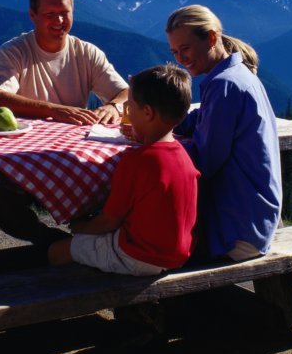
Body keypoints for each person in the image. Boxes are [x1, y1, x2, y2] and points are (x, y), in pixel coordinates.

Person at [0, 0, 129, 245]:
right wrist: (55, 109)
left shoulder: (87, 52)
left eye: (65, 12)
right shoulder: (13, 52)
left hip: (75, 158)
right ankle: (53, 244)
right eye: (50, 14)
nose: (60, 21)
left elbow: (125, 92)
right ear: (33, 15)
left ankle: (90, 244)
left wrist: (113, 105)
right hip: (23, 158)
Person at [47, 64, 200, 275]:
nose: (127, 114)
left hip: (138, 255)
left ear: (147, 112)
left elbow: (109, 221)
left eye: (130, 108)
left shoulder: (137, 160)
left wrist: (80, 227)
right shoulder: (184, 156)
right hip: (178, 254)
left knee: (58, 251)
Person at [165, 4, 282, 261]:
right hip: (257, 220)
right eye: (175, 52)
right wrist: (168, 119)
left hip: (237, 232)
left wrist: (156, 138)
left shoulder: (224, 85)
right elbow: (203, 117)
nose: (181, 59)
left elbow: (203, 161)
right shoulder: (237, 74)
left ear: (211, 38)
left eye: (185, 49)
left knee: (146, 236)